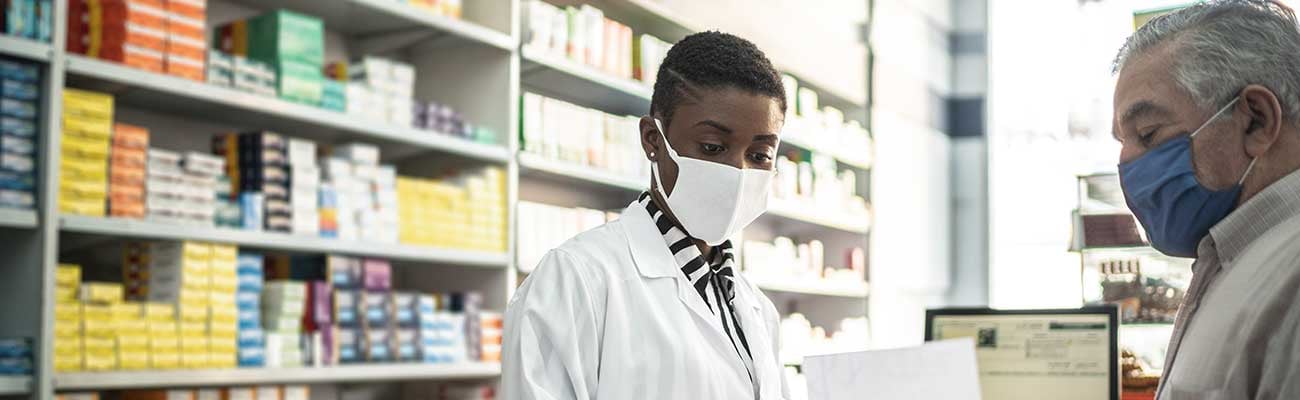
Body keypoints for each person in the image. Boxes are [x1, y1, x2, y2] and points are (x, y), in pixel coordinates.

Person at [501, 31, 790, 399]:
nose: (738, 171)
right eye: (712, 147)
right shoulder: (576, 279)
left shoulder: (756, 308)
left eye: (760, 155)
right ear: (653, 140)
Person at [1111, 1, 1300, 398]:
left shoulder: (1289, 278)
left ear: (1256, 120)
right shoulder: (1232, 258)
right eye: (1122, 141)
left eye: (1148, 133)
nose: (1126, 163)